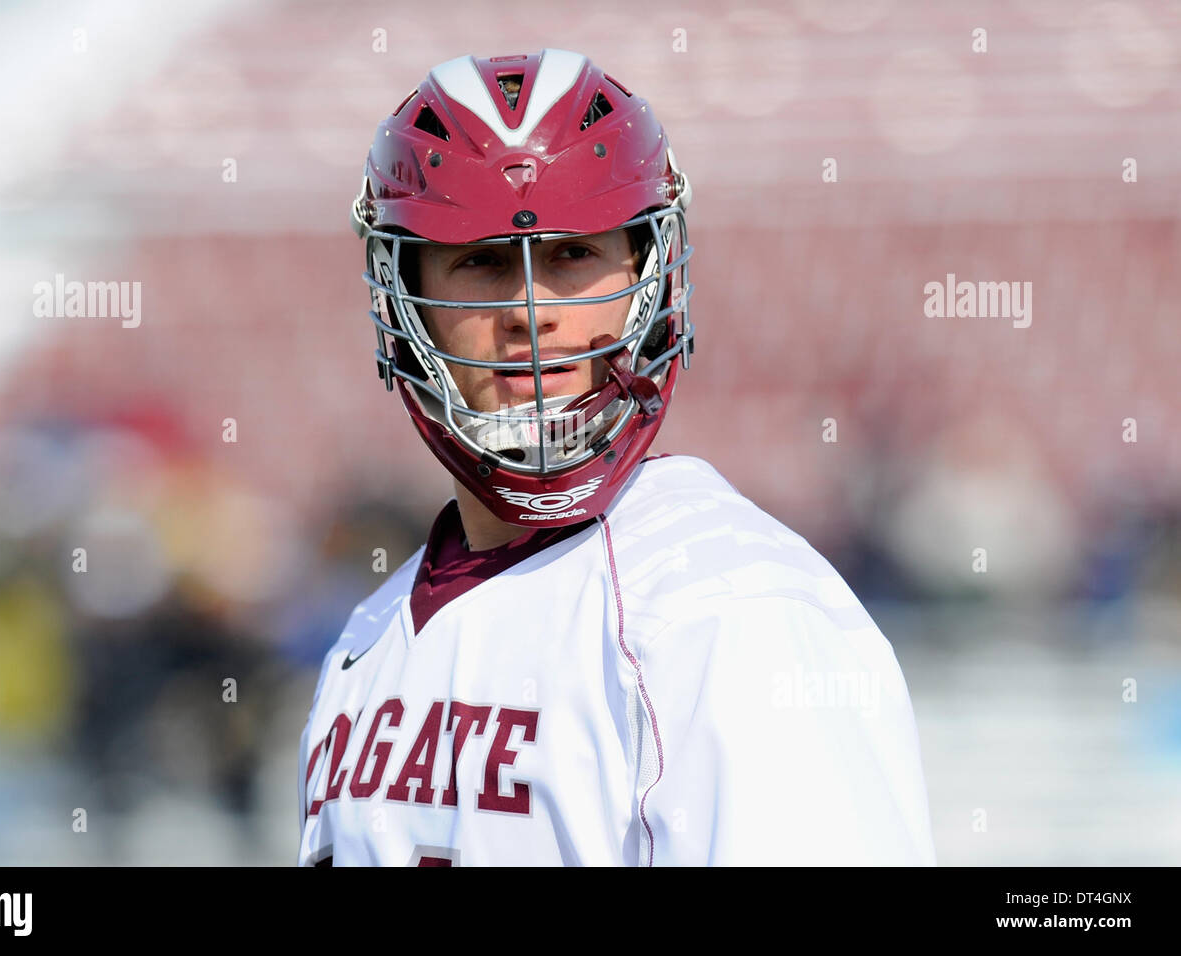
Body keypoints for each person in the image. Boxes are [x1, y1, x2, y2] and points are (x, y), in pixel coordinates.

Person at [298, 48, 935, 866]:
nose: (531, 315)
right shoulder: (369, 638)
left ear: (647, 272)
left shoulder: (732, 612)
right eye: (482, 261)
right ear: (402, 299)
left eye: (573, 255)